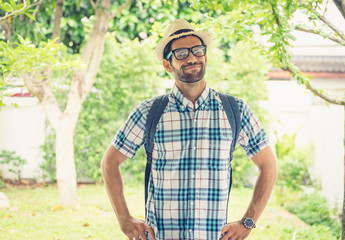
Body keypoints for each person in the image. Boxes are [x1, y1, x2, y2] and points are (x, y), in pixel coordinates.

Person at [101, 19, 278, 240]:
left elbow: (269, 165)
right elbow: (110, 161)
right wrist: (124, 219)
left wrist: (248, 223)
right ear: (168, 65)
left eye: (197, 50)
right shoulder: (149, 112)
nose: (192, 57)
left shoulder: (236, 110)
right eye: (182, 53)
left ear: (206, 56)